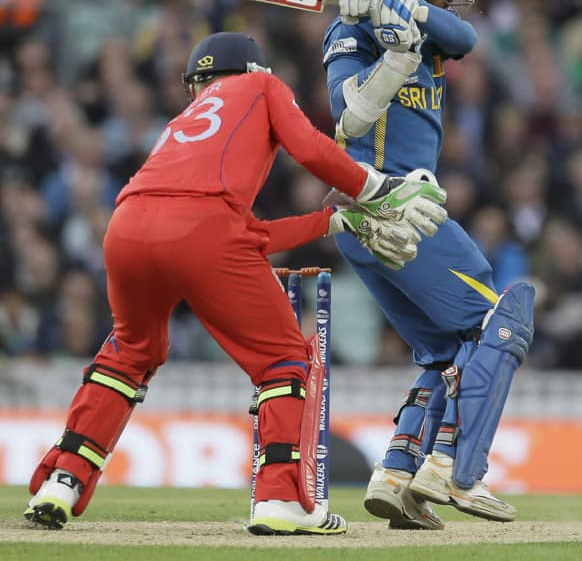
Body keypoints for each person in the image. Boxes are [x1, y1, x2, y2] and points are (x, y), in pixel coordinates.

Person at [24, 31, 448, 535]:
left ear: (196, 84)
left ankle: (62, 481)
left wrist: (336, 220)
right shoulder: (262, 87)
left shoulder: (183, 125)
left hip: (127, 225)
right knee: (284, 362)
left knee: (128, 354)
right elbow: (308, 150)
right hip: (205, 228)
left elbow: (242, 236)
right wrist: (376, 190)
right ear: (254, 70)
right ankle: (280, 499)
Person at [322, 0, 535, 530]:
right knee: (502, 317)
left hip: (398, 211)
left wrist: (397, 3)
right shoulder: (351, 24)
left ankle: (396, 475)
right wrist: (381, 17)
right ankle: (453, 469)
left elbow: (467, 37)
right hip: (386, 203)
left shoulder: (426, 28)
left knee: (446, 348)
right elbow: (348, 118)